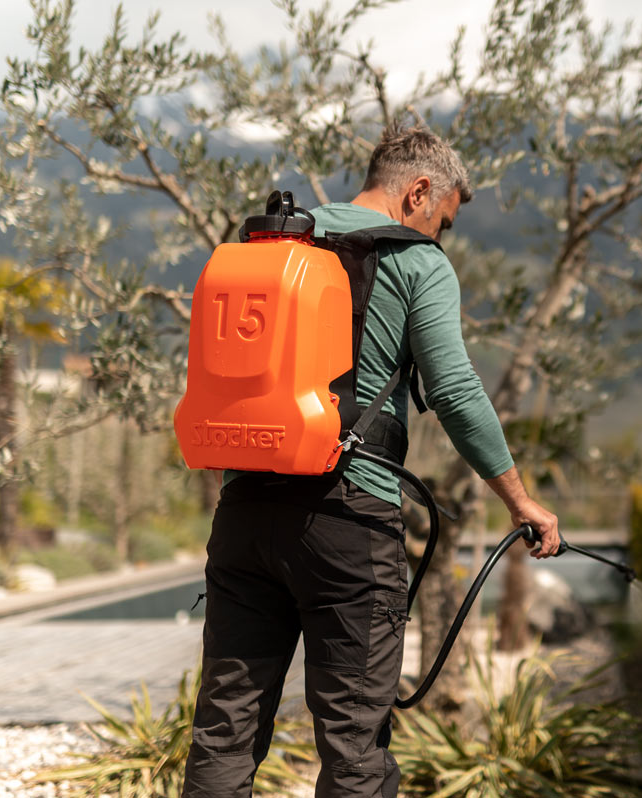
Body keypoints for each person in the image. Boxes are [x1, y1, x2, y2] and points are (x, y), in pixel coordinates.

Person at [183, 124, 560, 798]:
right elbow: (453, 390)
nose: (439, 237)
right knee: (355, 741)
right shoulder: (418, 262)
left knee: (225, 729)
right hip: (348, 521)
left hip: (244, 513)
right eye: (441, 221)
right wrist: (518, 499)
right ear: (419, 192)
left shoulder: (272, 244)